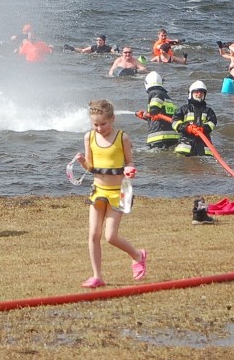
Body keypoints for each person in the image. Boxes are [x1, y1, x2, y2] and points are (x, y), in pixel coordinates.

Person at [73, 99, 147, 288]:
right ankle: (97, 276)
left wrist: (130, 169)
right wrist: (82, 161)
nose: (99, 128)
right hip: (98, 191)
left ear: (113, 119)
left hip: (118, 193)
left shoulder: (122, 138)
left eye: (103, 124)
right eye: (95, 124)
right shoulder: (89, 137)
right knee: (93, 234)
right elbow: (90, 167)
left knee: (110, 236)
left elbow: (130, 162)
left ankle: (138, 256)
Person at [172, 80, 217, 157]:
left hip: (203, 146)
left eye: (201, 92)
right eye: (196, 92)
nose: (199, 94)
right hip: (185, 146)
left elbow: (212, 123)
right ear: (191, 93)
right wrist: (186, 128)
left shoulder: (208, 111)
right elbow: (174, 122)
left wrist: (204, 128)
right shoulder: (183, 109)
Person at [139, 71, 180, 149]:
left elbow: (154, 110)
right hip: (173, 136)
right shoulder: (167, 96)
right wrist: (146, 117)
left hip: (159, 136)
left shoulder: (154, 93)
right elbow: (161, 115)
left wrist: (145, 114)